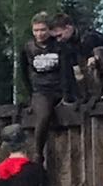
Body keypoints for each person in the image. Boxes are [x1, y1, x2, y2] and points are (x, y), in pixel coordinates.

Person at [19, 11, 72, 165]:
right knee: (44, 115)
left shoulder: (59, 46)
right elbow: (23, 72)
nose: (39, 34)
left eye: (43, 30)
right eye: (36, 30)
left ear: (49, 30)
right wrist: (31, 94)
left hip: (58, 87)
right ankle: (38, 154)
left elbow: (66, 71)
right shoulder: (28, 48)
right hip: (41, 90)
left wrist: (67, 95)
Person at [52, 11, 103, 105]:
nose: (58, 40)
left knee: (99, 52)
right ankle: (86, 95)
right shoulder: (68, 46)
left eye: (60, 35)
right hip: (97, 79)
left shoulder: (90, 35)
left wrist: (92, 57)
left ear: (68, 28)